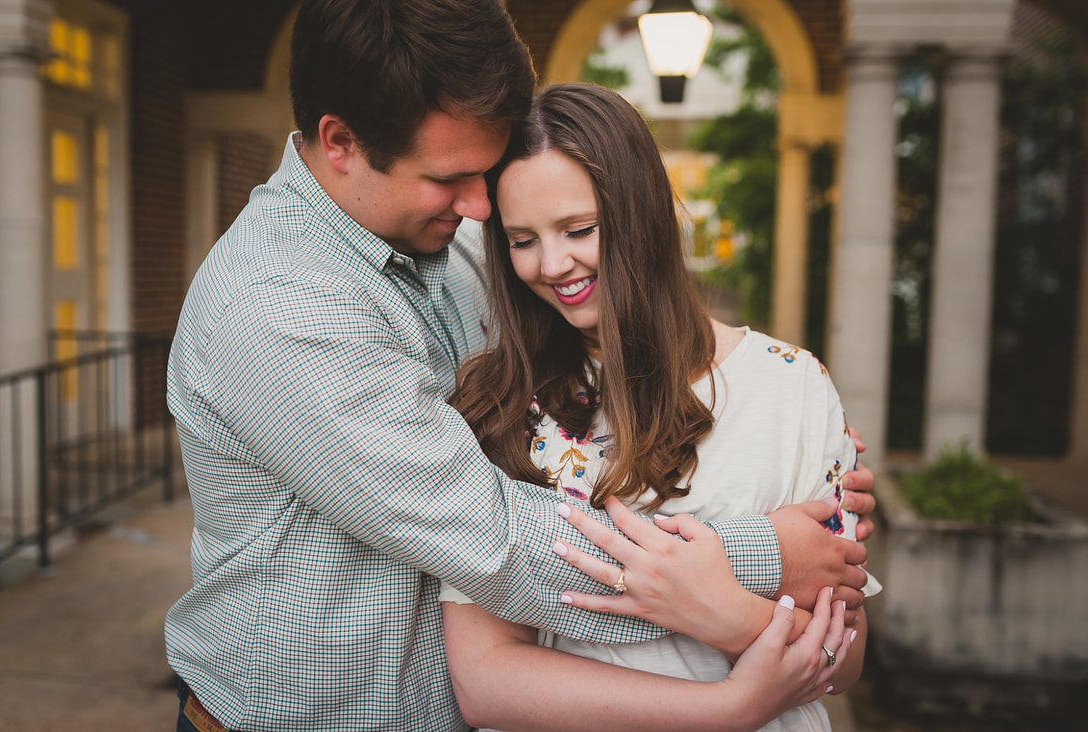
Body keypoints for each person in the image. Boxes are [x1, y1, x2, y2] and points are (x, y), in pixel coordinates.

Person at [165, 1, 875, 730]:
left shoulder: (463, 238)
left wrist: (800, 451)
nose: (481, 209)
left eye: (487, 176)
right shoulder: (278, 304)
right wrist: (771, 553)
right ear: (340, 142)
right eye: (450, 177)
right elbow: (500, 540)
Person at [441, 83, 881, 731]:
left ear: (640, 213)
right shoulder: (502, 404)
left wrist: (723, 614)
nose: (553, 264)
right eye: (522, 240)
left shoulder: (794, 385)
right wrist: (727, 694)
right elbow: (486, 679)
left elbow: (847, 659)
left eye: (579, 229)